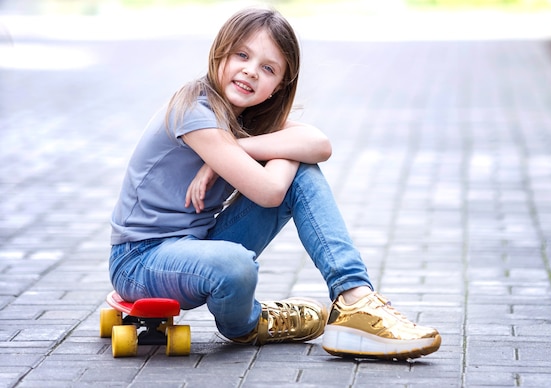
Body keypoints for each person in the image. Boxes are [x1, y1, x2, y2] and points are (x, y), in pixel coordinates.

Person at [109, 7, 441, 360]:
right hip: (141, 260)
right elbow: (269, 193)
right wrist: (272, 149)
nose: (250, 71)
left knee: (301, 170)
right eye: (242, 55)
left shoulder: (242, 119)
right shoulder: (194, 110)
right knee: (234, 264)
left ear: (279, 85)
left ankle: (354, 300)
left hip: (197, 247)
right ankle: (249, 323)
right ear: (220, 51)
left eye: (268, 68)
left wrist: (234, 149)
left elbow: (319, 144)